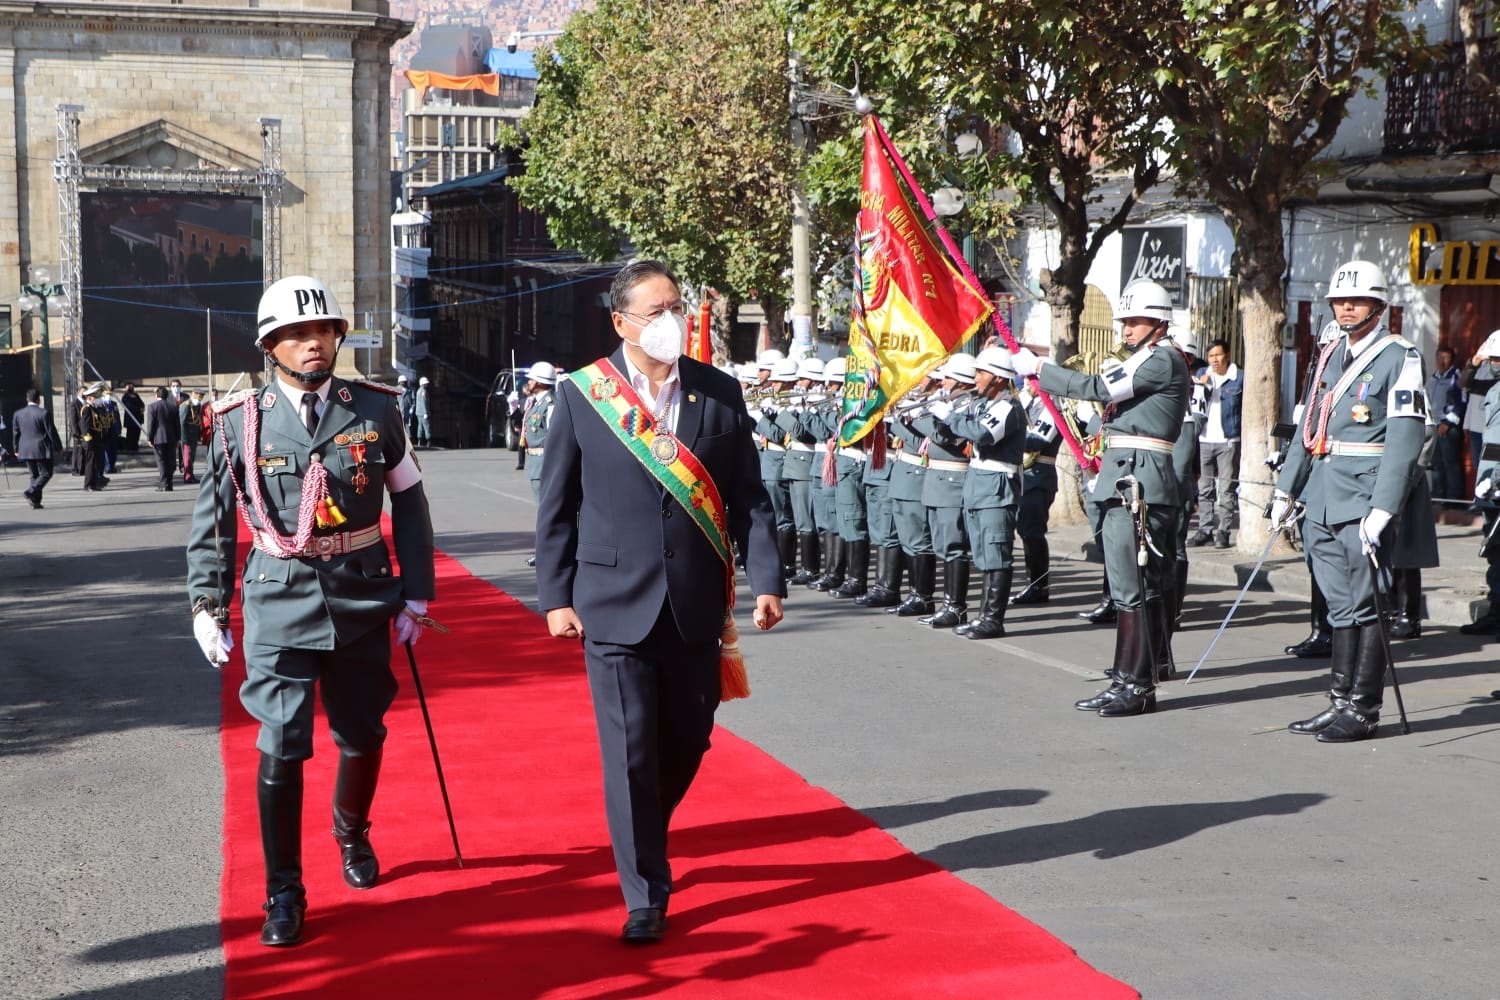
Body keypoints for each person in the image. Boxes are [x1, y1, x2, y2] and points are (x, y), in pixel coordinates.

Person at [535, 259, 785, 945]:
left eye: (677, 305)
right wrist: (555, 596)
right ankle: (645, 892)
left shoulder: (718, 391)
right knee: (630, 751)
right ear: (621, 322)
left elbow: (749, 497)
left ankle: (640, 822)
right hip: (612, 602)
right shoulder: (584, 394)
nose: (670, 319)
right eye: (656, 310)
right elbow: (556, 505)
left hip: (696, 604)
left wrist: (767, 579)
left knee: (690, 736)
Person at [185, 274, 436, 947]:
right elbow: (213, 525)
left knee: (363, 733)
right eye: (296, 334)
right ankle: (283, 891)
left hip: (361, 594)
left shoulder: (375, 410)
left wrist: (417, 590)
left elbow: (409, 500)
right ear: (270, 346)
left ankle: (351, 833)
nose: (312, 343)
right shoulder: (239, 421)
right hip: (278, 596)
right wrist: (207, 603)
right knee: (281, 742)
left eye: (322, 330)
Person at [1013, 279, 1190, 716]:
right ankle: (1124, 678)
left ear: (1159, 323)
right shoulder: (1143, 359)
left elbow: (1099, 387)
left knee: (1138, 585)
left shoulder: (1162, 359)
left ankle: (1139, 684)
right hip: (1123, 474)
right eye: (1124, 321)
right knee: (1127, 586)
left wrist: (1041, 369)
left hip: (1141, 481)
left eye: (1136, 321)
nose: (1127, 329)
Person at [1272, 259, 1427, 742]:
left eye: (1356, 301)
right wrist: (1286, 488)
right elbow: (1308, 426)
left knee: (1368, 600)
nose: (1345, 308)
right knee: (1339, 604)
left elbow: (1405, 437)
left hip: (1363, 495)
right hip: (1321, 493)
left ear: (1379, 306)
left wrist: (1384, 507)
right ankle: (1338, 700)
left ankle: (1363, 708)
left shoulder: (1400, 356)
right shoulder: (1329, 354)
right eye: (1339, 301)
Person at [935, 347, 1027, 638]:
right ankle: (982, 616)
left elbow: (982, 434)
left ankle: (993, 619)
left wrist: (950, 417)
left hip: (997, 487)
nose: (975, 378)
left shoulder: (1008, 406)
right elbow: (958, 433)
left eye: (981, 373)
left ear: (998, 378)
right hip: (979, 485)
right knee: (984, 554)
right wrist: (945, 415)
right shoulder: (985, 404)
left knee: (996, 552)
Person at [909, 353, 978, 628]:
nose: (943, 382)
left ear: (961, 381)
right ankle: (946, 604)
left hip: (953, 480)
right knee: (941, 545)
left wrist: (919, 416)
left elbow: (944, 436)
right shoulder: (950, 404)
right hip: (936, 479)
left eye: (948, 378)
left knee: (954, 547)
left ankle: (956, 606)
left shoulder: (967, 405)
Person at [1460, 329, 1500, 639]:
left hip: (1497, 479)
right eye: (1493, 360)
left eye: (1498, 360)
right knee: (1494, 550)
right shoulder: (1494, 387)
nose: (1494, 364)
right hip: (1489, 482)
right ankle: (1495, 612)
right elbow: (1466, 383)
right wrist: (1475, 361)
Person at [1189, 340, 1242, 549]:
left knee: (1226, 489)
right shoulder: (1202, 374)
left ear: (1227, 355)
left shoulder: (1238, 377)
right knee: (1204, 488)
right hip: (1204, 439)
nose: (1215, 360)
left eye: (1218, 355)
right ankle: (1205, 530)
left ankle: (1223, 531)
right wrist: (1201, 385)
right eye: (1211, 356)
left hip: (1227, 440)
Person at [1427, 345, 1466, 512]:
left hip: (1448, 427)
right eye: (1439, 357)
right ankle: (1438, 497)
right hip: (1434, 425)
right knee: (1436, 463)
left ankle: (1454, 500)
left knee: (1451, 463)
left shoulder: (1456, 376)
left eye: (1445, 358)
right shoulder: (1433, 378)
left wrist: (1448, 423)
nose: (1441, 361)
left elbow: (1461, 402)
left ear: (1452, 360)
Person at [12, 388, 57, 509]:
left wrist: (16, 449)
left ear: (27, 399)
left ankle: (35, 501)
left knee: (34, 475)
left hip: (25, 448)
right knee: (46, 472)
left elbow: (16, 433)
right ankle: (31, 491)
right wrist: (58, 447)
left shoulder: (18, 414)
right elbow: (51, 431)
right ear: (38, 399)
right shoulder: (43, 413)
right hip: (40, 447)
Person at [74, 383, 110, 491]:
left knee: (96, 463)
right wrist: (88, 440)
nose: (97, 399)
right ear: (89, 398)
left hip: (97, 439)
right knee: (90, 463)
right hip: (90, 440)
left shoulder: (94, 408)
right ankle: (88, 485)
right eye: (95, 397)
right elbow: (84, 426)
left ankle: (94, 484)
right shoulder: (86, 409)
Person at [144, 385, 181, 491]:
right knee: (170, 461)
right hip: (172, 437)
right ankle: (169, 483)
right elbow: (177, 424)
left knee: (161, 461)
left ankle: (164, 483)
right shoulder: (173, 406)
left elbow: (151, 424)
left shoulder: (152, 406)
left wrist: (149, 438)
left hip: (158, 437)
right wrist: (178, 438)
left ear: (156, 395)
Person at [179, 388, 204, 485]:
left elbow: (197, 422)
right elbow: (182, 422)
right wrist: (184, 438)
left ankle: (191, 475)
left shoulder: (197, 405)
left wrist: (199, 435)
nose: (200, 397)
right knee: (187, 458)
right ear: (193, 394)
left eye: (201, 396)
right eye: (198, 395)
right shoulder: (186, 405)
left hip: (194, 435)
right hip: (187, 436)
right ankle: (187, 476)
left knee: (192, 457)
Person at [99, 384, 122, 474]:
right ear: (104, 394)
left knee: (114, 449)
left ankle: (112, 465)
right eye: (107, 394)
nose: (109, 396)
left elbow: (117, 417)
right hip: (105, 430)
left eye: (110, 394)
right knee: (106, 449)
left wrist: (119, 428)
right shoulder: (101, 404)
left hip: (114, 429)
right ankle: (107, 466)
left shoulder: (113, 404)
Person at [121, 382, 145, 454]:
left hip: (138, 418)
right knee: (130, 434)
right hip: (130, 419)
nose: (130, 388)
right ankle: (130, 447)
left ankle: (135, 446)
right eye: (128, 387)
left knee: (137, 433)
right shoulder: (125, 397)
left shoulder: (136, 395)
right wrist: (139, 409)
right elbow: (129, 406)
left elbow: (142, 403)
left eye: (131, 386)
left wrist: (142, 408)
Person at [414, 376, 432, 447]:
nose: (427, 384)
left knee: (420, 427)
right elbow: (423, 402)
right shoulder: (423, 392)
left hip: (418, 413)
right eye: (425, 383)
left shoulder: (418, 390)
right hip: (423, 413)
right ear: (422, 384)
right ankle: (428, 441)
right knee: (427, 427)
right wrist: (425, 412)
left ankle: (419, 441)